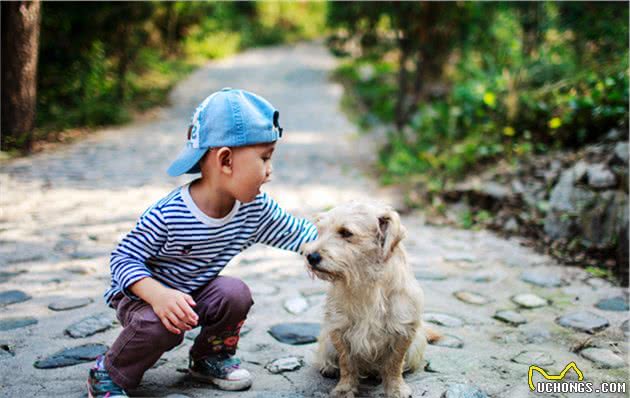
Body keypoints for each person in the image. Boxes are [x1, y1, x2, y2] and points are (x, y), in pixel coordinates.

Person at [87, 88, 318, 397]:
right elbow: (123, 259)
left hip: (196, 290)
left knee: (234, 293)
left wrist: (348, 241)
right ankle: (109, 373)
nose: (269, 171)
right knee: (160, 326)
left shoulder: (254, 208)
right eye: (265, 158)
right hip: (144, 298)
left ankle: (209, 357)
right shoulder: (169, 214)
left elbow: (300, 234)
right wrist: (158, 295)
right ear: (225, 160)